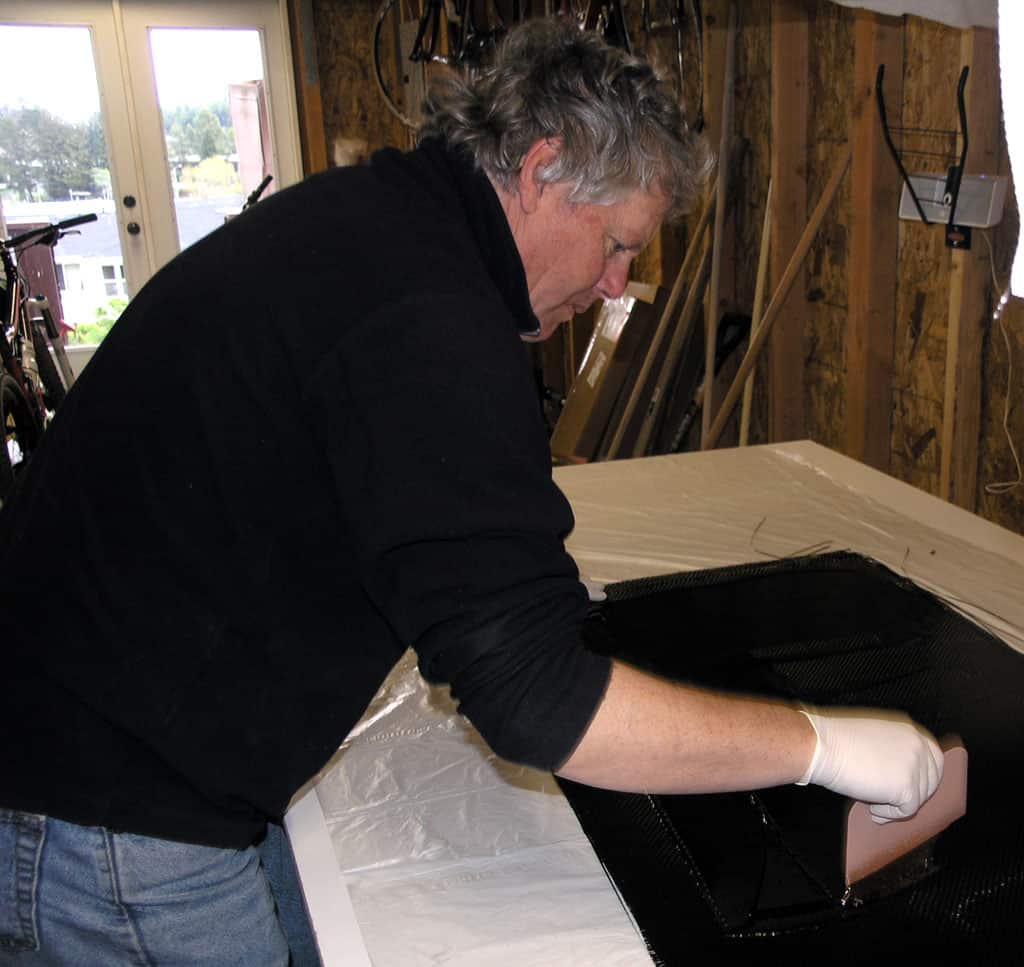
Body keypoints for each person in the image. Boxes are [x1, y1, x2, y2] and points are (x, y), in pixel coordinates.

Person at [0, 17, 943, 966]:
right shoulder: (431, 318)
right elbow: (535, 698)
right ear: (540, 169)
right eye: (618, 244)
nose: (618, 286)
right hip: (110, 808)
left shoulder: (389, 223)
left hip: (103, 739)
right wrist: (818, 744)